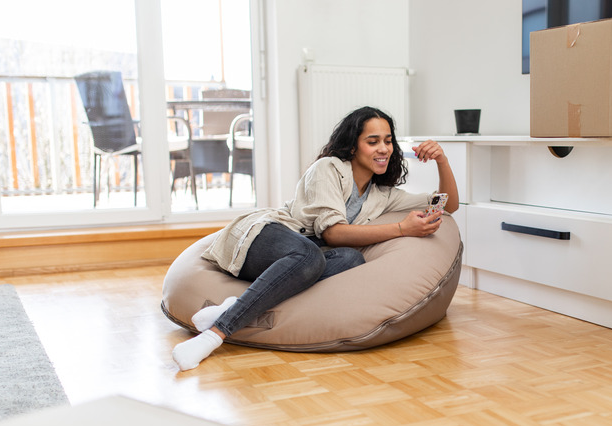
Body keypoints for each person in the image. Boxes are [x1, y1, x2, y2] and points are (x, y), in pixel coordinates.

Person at [172, 106, 459, 371]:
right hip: (266, 234)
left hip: (299, 259)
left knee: (352, 257)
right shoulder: (328, 168)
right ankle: (215, 333)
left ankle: (236, 306)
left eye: (387, 141)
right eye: (373, 141)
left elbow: (448, 205)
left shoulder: (382, 194)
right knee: (310, 255)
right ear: (352, 146)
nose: (383, 148)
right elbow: (333, 233)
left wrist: (441, 160)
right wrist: (401, 229)